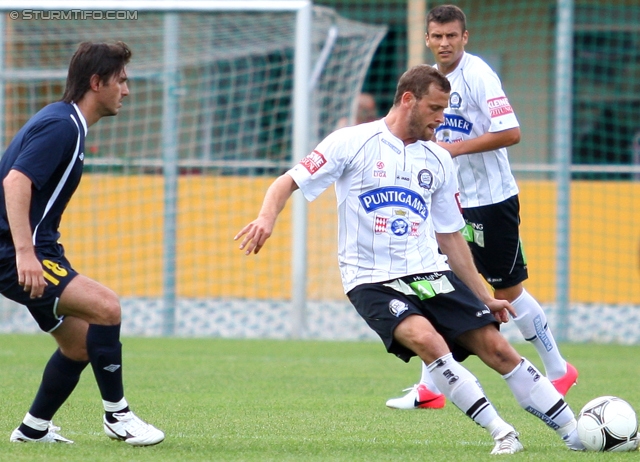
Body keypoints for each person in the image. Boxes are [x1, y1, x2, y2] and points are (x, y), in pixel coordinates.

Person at [236, 64, 584, 454]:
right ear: (408, 100)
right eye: (435, 109)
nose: (442, 119)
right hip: (370, 279)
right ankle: (503, 433)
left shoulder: (439, 159)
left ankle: (577, 433)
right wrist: (266, 217)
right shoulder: (350, 141)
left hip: (430, 271)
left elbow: (450, 237)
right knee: (427, 340)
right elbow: (288, 180)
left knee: (498, 348)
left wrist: (483, 296)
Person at [386, 4, 578, 411]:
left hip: (491, 201)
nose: (444, 43)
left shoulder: (478, 75)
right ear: (427, 38)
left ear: (464, 37)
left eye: (451, 36)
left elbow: (511, 132)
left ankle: (559, 370)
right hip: (450, 202)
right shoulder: (431, 82)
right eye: (437, 36)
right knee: (439, 283)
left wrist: (452, 149)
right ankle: (431, 387)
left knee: (507, 291)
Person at [4, 41, 164, 446]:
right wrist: (25, 253)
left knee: (78, 345)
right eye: (121, 81)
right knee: (106, 307)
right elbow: (16, 181)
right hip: (15, 253)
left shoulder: (65, 122)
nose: (126, 91)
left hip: (34, 250)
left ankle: (33, 429)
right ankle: (118, 416)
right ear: (97, 82)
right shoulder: (63, 125)